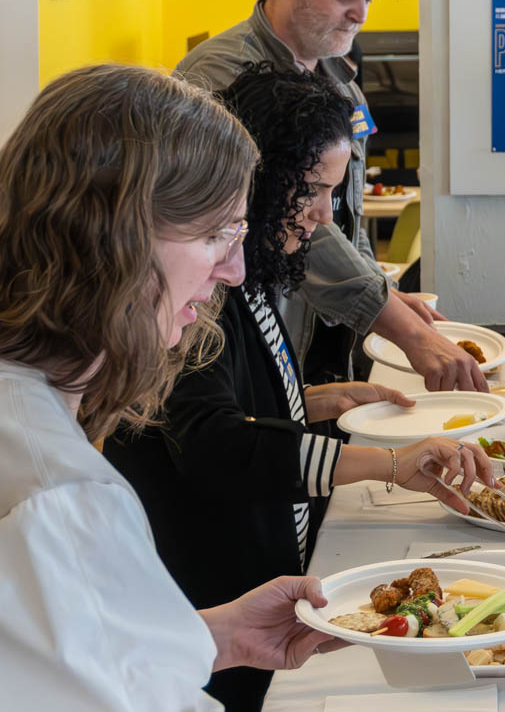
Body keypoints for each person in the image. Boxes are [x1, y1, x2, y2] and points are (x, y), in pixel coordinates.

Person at [105, 64, 494, 711]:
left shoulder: (249, 272)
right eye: (311, 191)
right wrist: (391, 462)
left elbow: (217, 403)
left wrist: (311, 400)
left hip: (250, 596)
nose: (321, 216)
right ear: (255, 180)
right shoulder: (205, 292)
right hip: (218, 600)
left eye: (333, 194)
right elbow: (213, 442)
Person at [0, 64, 341, 710]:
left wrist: (207, 635)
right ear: (113, 239)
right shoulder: (62, 497)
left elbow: (46, 655)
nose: (235, 270)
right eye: (217, 234)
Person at [176, 0, 485, 393]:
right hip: (235, 351)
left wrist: (385, 293)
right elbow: (287, 218)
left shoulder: (341, 82)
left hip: (320, 343)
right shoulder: (221, 80)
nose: (359, 14)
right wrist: (400, 327)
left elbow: (343, 215)